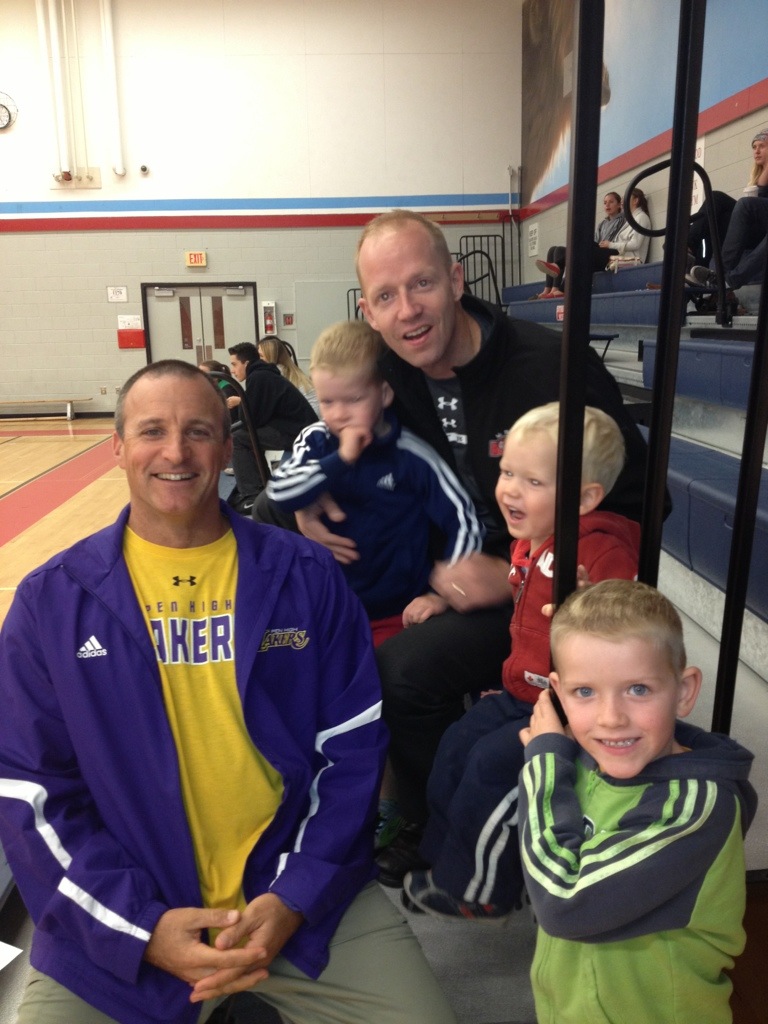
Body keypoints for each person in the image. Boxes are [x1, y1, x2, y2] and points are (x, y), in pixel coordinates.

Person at [0, 360, 459, 1024]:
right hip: (128, 911)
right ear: (119, 447)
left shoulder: (306, 576)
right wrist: (141, 929)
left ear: (225, 448)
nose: (176, 452)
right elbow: (31, 792)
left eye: (198, 431)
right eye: (152, 431)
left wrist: (296, 897)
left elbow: (353, 752)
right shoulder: (51, 602)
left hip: (296, 898)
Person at [289, 209, 653, 887]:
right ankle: (410, 813)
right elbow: (330, 439)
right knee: (326, 637)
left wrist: (529, 565)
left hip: (549, 592)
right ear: (368, 311)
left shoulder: (548, 368)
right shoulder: (389, 379)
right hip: (452, 576)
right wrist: (302, 501)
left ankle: (460, 833)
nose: (407, 309)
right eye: (386, 296)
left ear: (456, 281)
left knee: (403, 673)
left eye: (421, 284)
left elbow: (634, 497)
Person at [399, 402, 640, 903]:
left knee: (492, 767)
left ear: (584, 498)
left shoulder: (600, 550)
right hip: (522, 691)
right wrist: (445, 598)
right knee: (456, 747)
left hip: (568, 709)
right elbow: (521, 601)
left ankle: (480, 893)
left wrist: (594, 599)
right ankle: (444, 858)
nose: (509, 489)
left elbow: (628, 627)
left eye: (532, 481)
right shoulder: (529, 541)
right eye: (508, 472)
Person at [518, 579, 757, 1024]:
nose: (611, 718)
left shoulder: (694, 809)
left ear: (684, 691)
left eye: (638, 689)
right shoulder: (588, 763)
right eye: (585, 692)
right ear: (559, 693)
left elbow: (562, 902)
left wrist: (544, 763)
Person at [266, 319, 484, 647]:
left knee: (388, 676)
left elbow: (464, 521)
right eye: (327, 402)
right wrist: (340, 460)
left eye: (353, 400)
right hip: (327, 604)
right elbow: (279, 492)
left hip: (396, 611)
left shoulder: (412, 455)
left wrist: (444, 592)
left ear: (383, 394)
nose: (338, 414)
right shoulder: (316, 440)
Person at [227, 341, 316, 514]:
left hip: (295, 434)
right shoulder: (264, 375)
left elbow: (250, 420)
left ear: (246, 363)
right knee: (245, 436)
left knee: (238, 438)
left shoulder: (258, 378)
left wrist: (242, 402)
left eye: (234, 364)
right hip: (296, 430)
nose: (232, 370)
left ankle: (252, 495)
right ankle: (257, 486)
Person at [687, 127, 768, 290]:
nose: (756, 151)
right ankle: (688, 247)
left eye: (762, 146)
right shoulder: (757, 175)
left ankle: (723, 278)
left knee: (744, 204)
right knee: (716, 199)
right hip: (757, 228)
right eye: (754, 147)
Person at [533, 190, 628, 296]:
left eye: (611, 202)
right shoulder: (602, 223)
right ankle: (550, 288)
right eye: (605, 202)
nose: (607, 205)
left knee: (581, 245)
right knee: (556, 249)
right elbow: (596, 240)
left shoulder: (622, 219)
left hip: (611, 251)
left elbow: (610, 240)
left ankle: (558, 273)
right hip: (599, 249)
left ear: (619, 204)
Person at [258, 335, 320, 415]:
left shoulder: (277, 374)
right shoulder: (291, 372)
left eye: (261, 356)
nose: (258, 360)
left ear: (271, 357)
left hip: (308, 418)